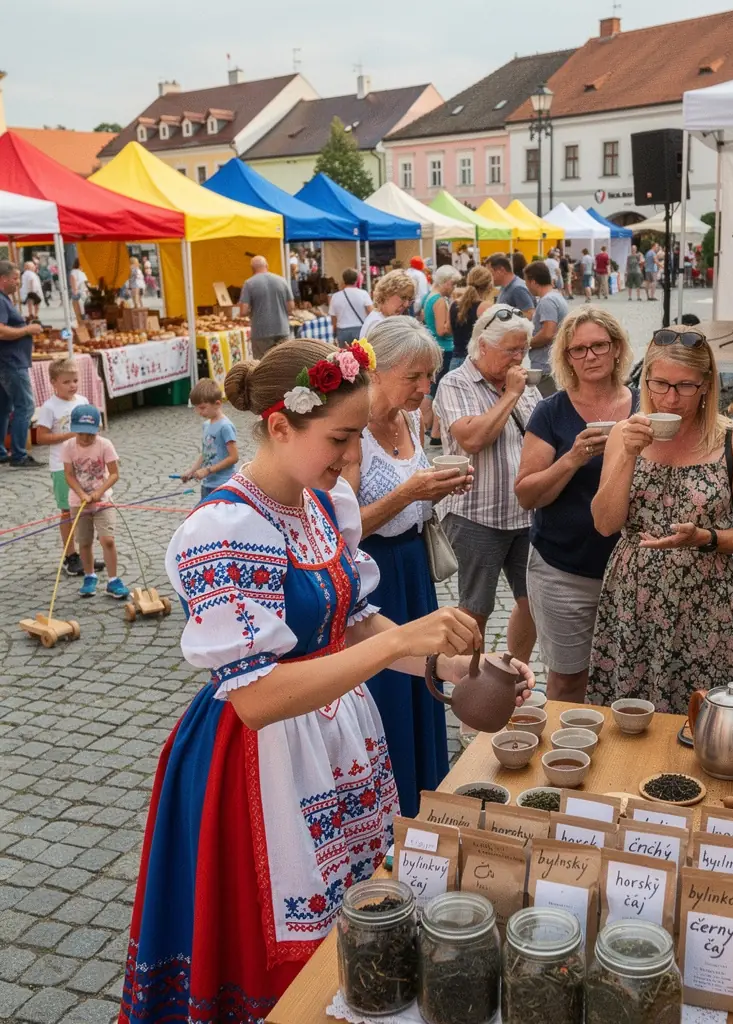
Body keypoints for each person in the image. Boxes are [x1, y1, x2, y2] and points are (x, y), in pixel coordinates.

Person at [120, 337, 534, 1022]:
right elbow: (256, 697)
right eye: (341, 439)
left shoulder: (319, 506)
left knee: (360, 922)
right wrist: (403, 639)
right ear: (280, 426)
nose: (351, 460)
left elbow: (352, 624)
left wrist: (451, 666)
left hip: (337, 741)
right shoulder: (225, 528)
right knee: (283, 939)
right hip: (261, 761)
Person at [589, 327, 733, 712]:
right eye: (660, 384)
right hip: (634, 594)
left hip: (708, 599)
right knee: (632, 712)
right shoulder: (626, 432)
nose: (671, 397)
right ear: (646, 380)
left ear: (706, 384)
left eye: (685, 386)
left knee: (704, 714)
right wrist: (627, 454)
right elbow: (605, 524)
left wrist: (706, 538)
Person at [342, 321, 472, 815]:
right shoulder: (352, 434)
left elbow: (414, 500)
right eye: (415, 376)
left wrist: (438, 490)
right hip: (375, 575)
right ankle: (390, 800)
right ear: (376, 370)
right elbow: (343, 530)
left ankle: (426, 788)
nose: (425, 388)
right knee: (389, 684)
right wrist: (409, 493)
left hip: (415, 563)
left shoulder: (412, 419)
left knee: (424, 680)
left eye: (429, 376)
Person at [516, 307, 638, 702]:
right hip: (563, 570)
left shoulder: (644, 407)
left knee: (631, 676)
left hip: (634, 572)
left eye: (598, 346)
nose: (589, 356)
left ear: (617, 348)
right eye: (578, 349)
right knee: (568, 680)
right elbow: (527, 494)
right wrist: (572, 457)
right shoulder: (551, 411)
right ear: (566, 358)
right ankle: (568, 755)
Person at [434, 305, 541, 662]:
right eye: (510, 349)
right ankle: (468, 685)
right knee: (474, 611)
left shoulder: (526, 385)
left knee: (534, 603)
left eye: (522, 349)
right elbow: (473, 439)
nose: (519, 357)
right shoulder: (456, 383)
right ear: (482, 347)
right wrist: (510, 395)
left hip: (525, 516)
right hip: (475, 516)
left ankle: (513, 675)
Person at [62, 404, 131, 599]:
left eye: (90, 434)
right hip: (78, 502)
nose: (85, 438)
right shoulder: (68, 447)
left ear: (97, 429)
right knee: (84, 542)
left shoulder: (104, 445)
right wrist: (82, 494)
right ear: (74, 430)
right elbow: (68, 475)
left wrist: (99, 492)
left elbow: (114, 474)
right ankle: (89, 576)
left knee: (107, 540)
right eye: (81, 434)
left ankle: (113, 580)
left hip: (103, 502)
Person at [35, 358, 89, 574]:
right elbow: (41, 437)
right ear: (53, 383)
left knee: (85, 510)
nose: (72, 385)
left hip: (84, 463)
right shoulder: (49, 407)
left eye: (75, 380)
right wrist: (69, 434)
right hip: (61, 466)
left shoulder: (82, 401)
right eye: (66, 382)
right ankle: (70, 556)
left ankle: (86, 555)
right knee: (67, 511)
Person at [0, 260, 44, 467]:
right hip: (11, 362)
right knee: (25, 406)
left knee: (3, 407)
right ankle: (19, 454)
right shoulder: (1, 300)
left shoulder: (5, 299)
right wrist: (27, 330)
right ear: (3, 279)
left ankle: (2, 452)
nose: (18, 282)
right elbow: (0, 331)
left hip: (7, 361)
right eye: (15, 278)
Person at [180, 379, 239, 501]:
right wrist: (192, 471)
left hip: (223, 484)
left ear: (217, 404)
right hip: (207, 484)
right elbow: (205, 453)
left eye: (202, 408)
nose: (199, 412)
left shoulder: (225, 427)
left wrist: (208, 470)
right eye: (196, 408)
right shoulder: (206, 425)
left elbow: (234, 457)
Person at [422, 265, 460, 445]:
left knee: (432, 390)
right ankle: (428, 429)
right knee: (436, 391)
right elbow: (441, 329)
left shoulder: (429, 297)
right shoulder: (439, 301)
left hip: (436, 347)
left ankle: (425, 428)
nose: (453, 288)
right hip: (444, 348)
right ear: (445, 282)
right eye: (452, 284)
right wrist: (456, 324)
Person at [523, 261, 567, 398]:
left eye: (526, 281)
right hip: (551, 363)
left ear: (533, 281)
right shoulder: (557, 296)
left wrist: (527, 343)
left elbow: (548, 333)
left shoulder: (547, 301)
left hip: (545, 365)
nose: (526, 285)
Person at [240, 255, 294, 359]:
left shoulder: (249, 283)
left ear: (252, 269)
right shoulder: (282, 280)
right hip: (282, 329)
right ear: (267, 265)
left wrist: (253, 310)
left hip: (261, 332)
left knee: (262, 366)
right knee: (283, 363)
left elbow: (243, 311)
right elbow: (291, 307)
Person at [450, 265, 494, 375]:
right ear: (489, 285)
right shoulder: (486, 307)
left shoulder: (454, 304)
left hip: (456, 361)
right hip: (476, 362)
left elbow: (450, 331)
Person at [363, 269, 415, 336]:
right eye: (403, 297)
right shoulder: (379, 324)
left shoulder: (382, 318)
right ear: (387, 293)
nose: (406, 304)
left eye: (410, 299)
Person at [329, 268, 373, 345]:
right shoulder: (363, 294)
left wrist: (334, 333)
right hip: (360, 330)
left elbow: (333, 319)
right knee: (361, 355)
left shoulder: (335, 297)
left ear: (343, 280)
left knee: (344, 356)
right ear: (357, 280)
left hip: (342, 331)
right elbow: (371, 312)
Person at [69, 259, 89, 325]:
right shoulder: (75, 272)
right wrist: (75, 294)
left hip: (83, 296)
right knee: (81, 317)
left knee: (82, 317)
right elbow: (73, 283)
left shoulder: (81, 272)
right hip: (80, 296)